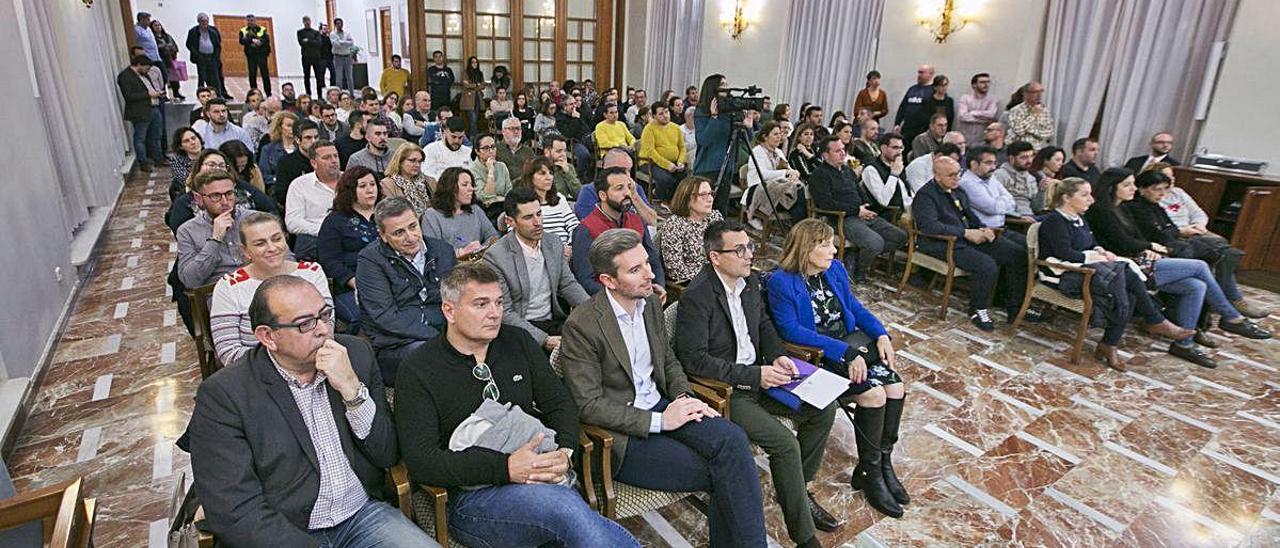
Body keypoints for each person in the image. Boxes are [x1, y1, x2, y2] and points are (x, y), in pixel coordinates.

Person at [392, 263, 637, 547]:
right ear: (449, 311)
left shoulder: (516, 341)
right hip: (475, 498)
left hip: (543, 476)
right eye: (481, 304)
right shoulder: (418, 369)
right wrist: (505, 468)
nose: (495, 313)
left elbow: (559, 402)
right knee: (567, 509)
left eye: (498, 302)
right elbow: (422, 462)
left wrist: (566, 451)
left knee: (569, 517)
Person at [189, 275, 438, 548]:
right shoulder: (226, 394)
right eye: (305, 323)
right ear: (268, 336)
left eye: (325, 315)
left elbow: (387, 453)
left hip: (363, 516)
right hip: (286, 531)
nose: (323, 330)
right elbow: (235, 509)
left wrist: (353, 391)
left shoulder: (355, 354)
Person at [559, 228, 767, 547]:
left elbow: (668, 360)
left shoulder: (650, 304)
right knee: (724, 472)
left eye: (646, 262)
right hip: (625, 435)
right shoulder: (581, 326)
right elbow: (589, 405)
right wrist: (661, 422)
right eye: (635, 269)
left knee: (733, 439)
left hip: (666, 405)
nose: (650, 273)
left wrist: (685, 396)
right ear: (608, 281)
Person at [676, 220, 841, 546]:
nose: (749, 254)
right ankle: (804, 536)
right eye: (740, 250)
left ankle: (798, 490)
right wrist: (755, 376)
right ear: (715, 257)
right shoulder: (697, 297)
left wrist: (778, 354)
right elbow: (694, 361)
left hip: (762, 375)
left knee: (825, 407)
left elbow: (763, 325)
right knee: (784, 443)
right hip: (729, 391)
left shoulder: (749, 282)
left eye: (750, 246)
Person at [765, 218, 909, 519]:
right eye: (826, 244)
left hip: (850, 347)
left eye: (833, 242)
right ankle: (871, 472)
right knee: (874, 396)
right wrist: (845, 352)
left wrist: (881, 333)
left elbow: (854, 308)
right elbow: (790, 330)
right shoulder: (782, 281)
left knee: (896, 387)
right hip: (821, 356)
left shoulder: (836, 270)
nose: (834, 249)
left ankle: (881, 463)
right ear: (806, 248)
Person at [1085, 169, 1269, 363]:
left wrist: (1148, 247)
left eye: (1132, 184)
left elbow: (1137, 238)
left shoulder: (1123, 208)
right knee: (1199, 266)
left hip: (1141, 258)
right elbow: (1122, 242)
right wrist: (1148, 246)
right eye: (1128, 185)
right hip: (1125, 265)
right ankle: (1231, 317)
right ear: (1112, 187)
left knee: (1196, 286)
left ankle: (1184, 344)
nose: (1133, 188)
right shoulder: (1101, 211)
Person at [1037, 177, 1196, 370]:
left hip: (1083, 270)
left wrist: (1101, 250)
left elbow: (1089, 243)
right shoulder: (1054, 221)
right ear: (1066, 198)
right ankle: (1149, 322)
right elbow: (1065, 254)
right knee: (1124, 274)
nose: (1091, 200)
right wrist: (1096, 256)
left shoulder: (1079, 218)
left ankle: (1112, 343)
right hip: (1061, 275)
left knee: (1127, 287)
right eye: (1085, 195)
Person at [913, 157, 1041, 330]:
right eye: (951, 175)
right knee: (986, 265)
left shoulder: (958, 190)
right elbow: (929, 226)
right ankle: (977, 309)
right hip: (942, 243)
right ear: (937, 176)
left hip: (967, 237)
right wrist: (965, 233)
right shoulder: (926, 195)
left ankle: (1015, 307)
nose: (957, 178)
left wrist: (983, 229)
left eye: (958, 173)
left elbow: (970, 216)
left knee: (1017, 254)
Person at [1128, 166, 1270, 320]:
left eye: (1166, 185)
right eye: (1158, 188)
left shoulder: (1166, 198)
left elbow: (1190, 217)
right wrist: (1176, 232)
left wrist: (1195, 227)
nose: (1163, 192)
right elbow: (1159, 233)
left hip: (1186, 234)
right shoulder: (1137, 206)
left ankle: (1227, 308)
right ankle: (1230, 308)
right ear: (1142, 188)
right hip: (1170, 243)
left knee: (1224, 254)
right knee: (1209, 263)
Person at [210, 213, 333, 365]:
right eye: (260, 243)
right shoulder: (228, 286)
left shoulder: (312, 272)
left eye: (276, 239)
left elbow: (328, 327)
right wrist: (285, 364)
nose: (272, 248)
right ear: (246, 251)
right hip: (255, 373)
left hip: (315, 362)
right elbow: (228, 351)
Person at [356, 197, 456, 383]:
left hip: (444, 331)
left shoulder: (443, 251)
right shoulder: (370, 261)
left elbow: (456, 299)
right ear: (383, 235)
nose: (410, 237)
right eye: (399, 232)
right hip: (397, 343)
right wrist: (438, 337)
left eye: (413, 226)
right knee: (433, 357)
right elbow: (386, 317)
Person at [478, 187, 589, 350]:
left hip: (554, 321)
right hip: (519, 329)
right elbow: (505, 312)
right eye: (528, 217)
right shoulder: (496, 257)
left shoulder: (553, 243)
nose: (537, 222)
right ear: (510, 222)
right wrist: (544, 340)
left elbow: (568, 285)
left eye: (539, 214)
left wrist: (594, 310)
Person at [809, 135, 906, 282]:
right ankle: (859, 271)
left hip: (861, 214)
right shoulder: (820, 174)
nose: (843, 153)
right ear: (825, 155)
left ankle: (855, 255)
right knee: (876, 243)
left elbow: (860, 192)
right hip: (840, 219)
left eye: (843, 149)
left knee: (900, 236)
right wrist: (856, 210)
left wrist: (864, 206)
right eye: (837, 151)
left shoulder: (847, 170)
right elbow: (825, 204)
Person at [571, 167, 666, 294]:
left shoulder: (637, 221)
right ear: (603, 195)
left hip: (643, 292)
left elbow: (652, 259)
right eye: (619, 188)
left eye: (628, 187)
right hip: (610, 299)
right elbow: (586, 280)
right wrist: (622, 295)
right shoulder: (586, 229)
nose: (627, 193)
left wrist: (659, 285)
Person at [319, 166, 381, 333]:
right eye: (362, 186)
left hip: (389, 279)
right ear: (350, 191)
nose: (370, 190)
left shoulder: (386, 215)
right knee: (363, 318)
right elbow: (329, 260)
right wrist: (354, 281)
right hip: (352, 284)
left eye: (372, 184)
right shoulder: (335, 220)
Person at [176, 170, 255, 290]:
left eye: (229, 193)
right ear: (198, 198)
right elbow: (190, 281)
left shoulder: (255, 219)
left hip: (259, 284)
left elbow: (286, 257)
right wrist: (215, 240)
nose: (224, 202)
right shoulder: (187, 231)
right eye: (215, 196)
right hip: (219, 292)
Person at [657, 177, 724, 284]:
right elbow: (675, 270)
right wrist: (713, 275)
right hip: (695, 282)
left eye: (711, 194)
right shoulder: (675, 224)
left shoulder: (715, 217)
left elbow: (725, 248)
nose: (710, 199)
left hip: (720, 273)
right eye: (703, 195)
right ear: (687, 199)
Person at [420, 167, 500, 257]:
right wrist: (461, 253)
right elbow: (433, 252)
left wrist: (481, 249)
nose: (471, 189)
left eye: (471, 184)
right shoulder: (431, 216)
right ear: (450, 187)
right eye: (465, 185)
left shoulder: (475, 210)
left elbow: (493, 236)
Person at [285, 140, 343, 259]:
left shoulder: (352, 180)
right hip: (315, 238)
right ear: (314, 163)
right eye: (327, 158)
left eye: (335, 156)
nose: (334, 161)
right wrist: (325, 230)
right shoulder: (299, 185)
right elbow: (292, 222)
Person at [743, 122, 804, 223]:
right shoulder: (757, 151)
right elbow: (763, 174)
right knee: (796, 195)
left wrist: (795, 173)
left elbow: (788, 169)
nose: (779, 137)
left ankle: (797, 226)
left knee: (798, 189)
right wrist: (785, 172)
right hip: (757, 188)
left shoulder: (778, 152)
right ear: (765, 137)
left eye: (780, 134)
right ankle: (797, 227)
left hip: (776, 186)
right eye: (775, 134)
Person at [959, 145, 1028, 231]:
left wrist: (999, 203)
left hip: (1002, 228)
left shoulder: (991, 177)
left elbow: (1012, 202)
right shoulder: (967, 183)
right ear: (974, 164)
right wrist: (1002, 201)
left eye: (994, 163)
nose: (993, 167)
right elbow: (992, 208)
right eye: (988, 163)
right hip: (984, 232)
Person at [118, 55, 167, 172]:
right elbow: (129, 96)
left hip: (154, 107)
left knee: (157, 135)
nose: (147, 71)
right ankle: (143, 162)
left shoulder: (144, 75)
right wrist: (149, 95)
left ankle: (158, 158)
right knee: (140, 137)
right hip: (140, 110)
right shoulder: (125, 76)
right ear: (139, 64)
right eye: (146, 68)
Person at [515, 157, 579, 245]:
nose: (549, 177)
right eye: (542, 173)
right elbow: (517, 235)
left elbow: (574, 226)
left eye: (551, 173)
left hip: (567, 250)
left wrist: (571, 245)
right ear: (530, 177)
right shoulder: (519, 201)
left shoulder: (559, 198)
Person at [638, 103, 688, 200]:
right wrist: (667, 164)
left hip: (673, 162)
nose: (665, 115)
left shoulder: (676, 127)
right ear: (654, 116)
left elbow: (682, 147)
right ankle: (662, 199)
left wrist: (680, 161)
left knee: (683, 175)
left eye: (666, 112)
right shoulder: (649, 128)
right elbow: (650, 152)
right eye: (661, 114)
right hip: (650, 162)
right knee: (666, 178)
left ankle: (675, 200)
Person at [861, 133, 915, 215]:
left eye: (901, 148)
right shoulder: (871, 169)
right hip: (890, 215)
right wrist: (893, 175)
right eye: (895, 148)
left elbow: (909, 193)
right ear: (883, 148)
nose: (899, 152)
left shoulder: (899, 165)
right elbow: (883, 201)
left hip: (911, 209)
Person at [271, 119, 320, 204]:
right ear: (297, 139)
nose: (313, 141)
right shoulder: (286, 163)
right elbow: (282, 195)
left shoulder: (326, 158)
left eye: (316, 137)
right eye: (308, 138)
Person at [379, 143, 431, 214]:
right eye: (412, 160)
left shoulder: (430, 181)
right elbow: (391, 213)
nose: (417, 165)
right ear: (400, 161)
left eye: (420, 161)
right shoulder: (387, 185)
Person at [993, 141, 1042, 216]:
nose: (1029, 161)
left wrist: (1041, 192)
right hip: (1012, 218)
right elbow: (996, 203)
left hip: (1030, 215)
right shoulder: (1000, 175)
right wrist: (1018, 216)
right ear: (1011, 158)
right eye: (1024, 157)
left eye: (1031, 156)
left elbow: (1036, 208)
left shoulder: (1031, 178)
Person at [469, 133, 513, 216]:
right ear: (477, 151)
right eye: (486, 148)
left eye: (493, 147)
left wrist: (497, 199)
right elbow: (485, 197)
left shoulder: (502, 166)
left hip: (505, 209)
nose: (491, 151)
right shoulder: (472, 170)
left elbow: (509, 194)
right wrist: (491, 172)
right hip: (485, 212)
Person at [186, 13, 227, 100]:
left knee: (216, 77)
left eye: (206, 21)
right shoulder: (193, 31)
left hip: (212, 58)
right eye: (202, 21)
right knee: (202, 77)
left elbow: (218, 44)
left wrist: (216, 56)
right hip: (201, 58)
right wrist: (197, 55)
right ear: (198, 22)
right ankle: (201, 96)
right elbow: (189, 44)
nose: (204, 23)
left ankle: (218, 96)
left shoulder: (213, 30)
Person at [893, 64, 935, 145]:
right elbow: (902, 107)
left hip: (923, 131)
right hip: (907, 130)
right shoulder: (912, 89)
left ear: (930, 74)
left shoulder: (933, 91)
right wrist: (897, 123)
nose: (919, 75)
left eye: (922, 72)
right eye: (919, 72)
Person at [257, 111, 300, 189]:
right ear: (280, 127)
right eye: (289, 126)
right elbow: (264, 176)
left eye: (295, 126)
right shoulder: (268, 150)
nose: (292, 129)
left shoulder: (302, 148)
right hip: (276, 189)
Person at [422, 118, 473, 183]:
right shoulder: (430, 150)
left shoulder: (468, 152)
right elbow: (427, 176)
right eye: (453, 137)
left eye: (460, 137)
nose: (457, 141)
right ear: (444, 132)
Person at [1006, 82, 1055, 149]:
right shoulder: (1016, 110)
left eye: (1041, 91)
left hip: (1037, 148)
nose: (1039, 95)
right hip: (1018, 148)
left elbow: (1049, 133)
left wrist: (1030, 130)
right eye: (1035, 92)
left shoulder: (1044, 110)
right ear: (1025, 94)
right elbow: (1019, 131)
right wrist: (1033, 115)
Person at [956, 73, 998, 145]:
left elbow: (991, 115)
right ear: (974, 85)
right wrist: (983, 120)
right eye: (982, 82)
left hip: (982, 140)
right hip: (964, 139)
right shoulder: (965, 98)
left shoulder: (992, 99)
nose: (986, 85)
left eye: (988, 82)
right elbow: (962, 116)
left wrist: (973, 113)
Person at [541, 134, 583, 201]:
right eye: (559, 151)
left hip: (562, 206)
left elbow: (580, 195)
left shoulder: (568, 167)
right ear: (547, 152)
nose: (563, 154)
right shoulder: (537, 168)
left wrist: (567, 173)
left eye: (565, 150)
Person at [149, 19, 183, 101]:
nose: (157, 27)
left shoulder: (167, 36)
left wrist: (169, 49)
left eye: (159, 25)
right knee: (162, 78)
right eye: (155, 25)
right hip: (160, 59)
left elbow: (174, 46)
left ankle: (176, 93)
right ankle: (163, 95)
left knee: (174, 78)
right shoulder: (152, 38)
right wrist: (163, 46)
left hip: (170, 59)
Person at [239, 14, 272, 95]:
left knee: (265, 74)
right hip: (251, 56)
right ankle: (254, 93)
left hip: (262, 55)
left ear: (255, 21)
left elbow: (266, 39)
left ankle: (268, 93)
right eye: (248, 21)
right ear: (246, 21)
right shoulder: (243, 30)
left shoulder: (262, 29)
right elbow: (242, 41)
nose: (250, 22)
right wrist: (252, 40)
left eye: (252, 20)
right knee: (252, 75)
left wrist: (260, 42)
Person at [496, 117, 537, 182]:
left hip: (524, 187)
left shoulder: (529, 151)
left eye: (518, 128)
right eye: (512, 129)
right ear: (503, 131)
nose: (516, 131)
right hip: (504, 188)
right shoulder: (496, 150)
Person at [169, 128, 204, 200]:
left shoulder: (211, 155)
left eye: (194, 138)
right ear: (181, 147)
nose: (192, 142)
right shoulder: (177, 161)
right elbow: (185, 181)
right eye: (186, 141)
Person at [296, 16, 324, 96]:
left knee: (318, 76)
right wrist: (312, 42)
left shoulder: (315, 32)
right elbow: (301, 43)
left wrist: (308, 41)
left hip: (316, 57)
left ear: (310, 21)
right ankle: (308, 94)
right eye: (305, 21)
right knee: (306, 76)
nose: (307, 22)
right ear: (303, 22)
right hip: (306, 57)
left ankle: (320, 95)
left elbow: (319, 44)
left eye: (308, 20)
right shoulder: (300, 32)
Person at [328, 18, 356, 92]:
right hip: (338, 57)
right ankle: (339, 94)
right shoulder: (332, 34)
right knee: (339, 77)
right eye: (337, 24)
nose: (339, 25)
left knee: (349, 77)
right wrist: (345, 43)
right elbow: (336, 44)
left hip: (347, 56)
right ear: (335, 25)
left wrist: (341, 42)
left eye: (340, 23)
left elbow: (351, 43)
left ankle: (352, 94)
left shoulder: (347, 33)